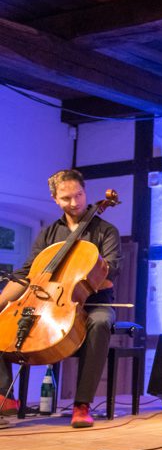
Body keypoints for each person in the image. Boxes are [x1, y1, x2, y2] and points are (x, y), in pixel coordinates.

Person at [0, 169, 121, 428]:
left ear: (85, 192)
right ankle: (5, 396)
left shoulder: (106, 231)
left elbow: (112, 274)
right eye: (66, 198)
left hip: (95, 301)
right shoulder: (48, 235)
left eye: (79, 195)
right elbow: (27, 274)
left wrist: (87, 275)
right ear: (55, 199)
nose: (75, 202)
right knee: (2, 322)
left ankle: (82, 404)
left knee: (99, 323)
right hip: (50, 301)